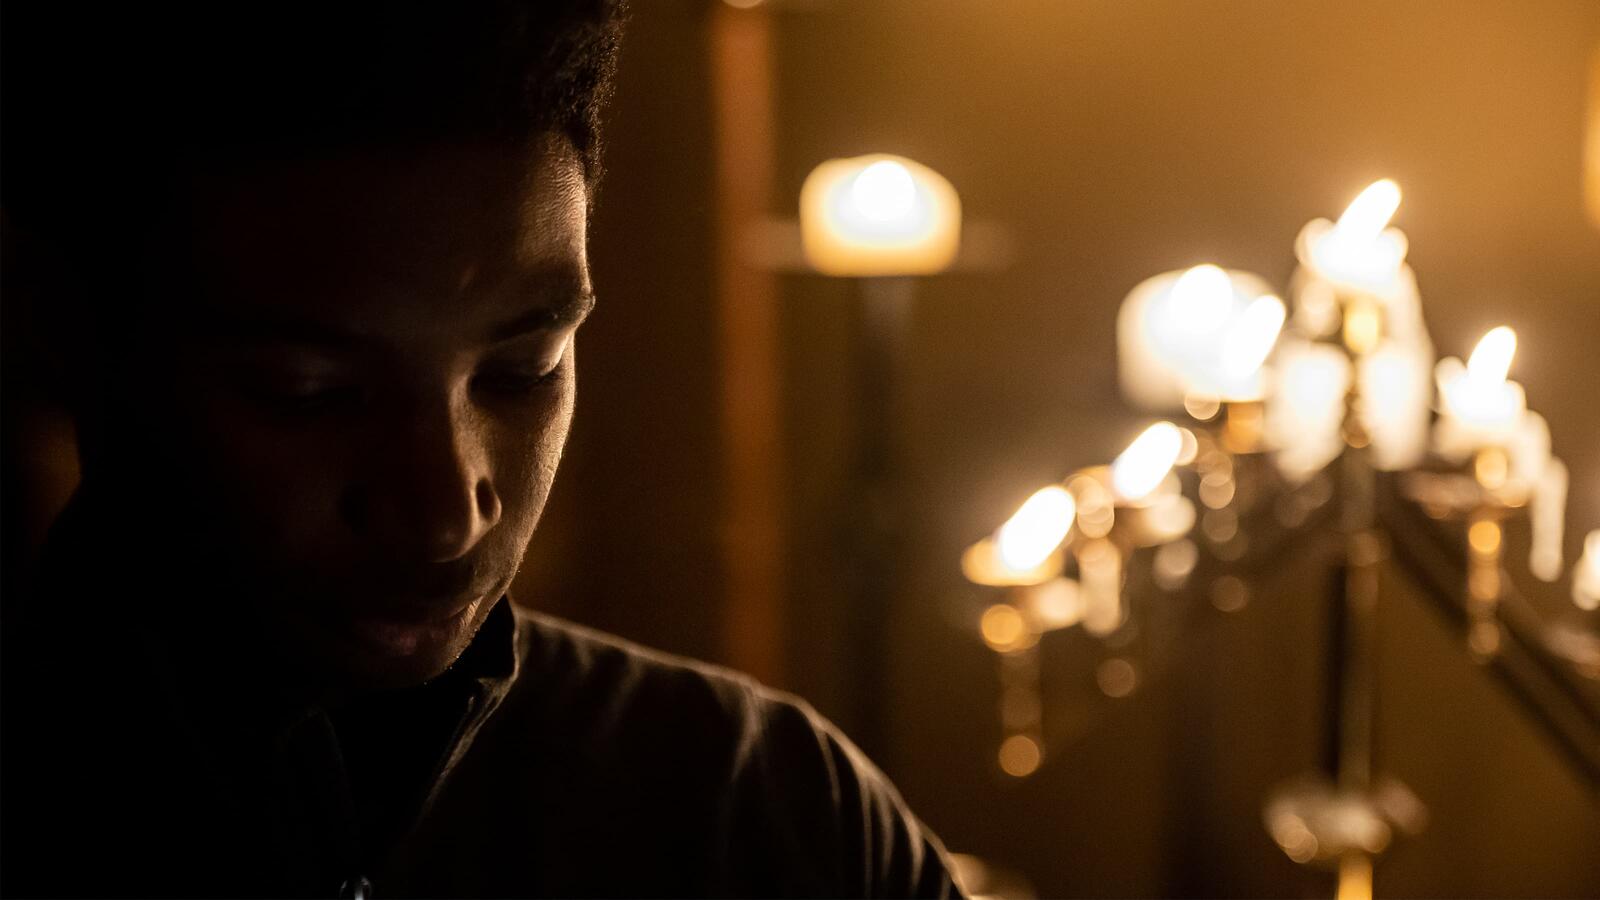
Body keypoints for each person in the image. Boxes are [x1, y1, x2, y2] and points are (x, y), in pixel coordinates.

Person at [0, 3, 960, 897]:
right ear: (63, 330)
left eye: (523, 370)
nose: (448, 511)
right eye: (310, 392)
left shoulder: (763, 811)